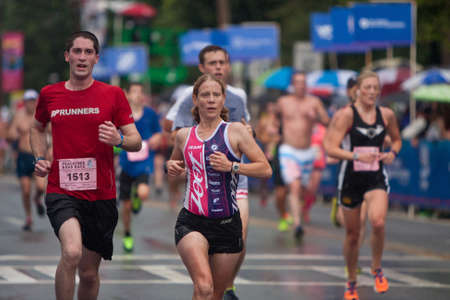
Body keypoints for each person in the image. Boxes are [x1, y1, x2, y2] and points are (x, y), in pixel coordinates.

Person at [30, 31, 142, 300]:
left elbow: (136, 141)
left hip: (101, 194)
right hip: (62, 189)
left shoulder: (112, 94)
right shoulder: (50, 94)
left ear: (96, 58)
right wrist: (40, 157)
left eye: (88, 52)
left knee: (89, 273)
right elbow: (36, 128)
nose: (82, 57)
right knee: (71, 252)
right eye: (77, 51)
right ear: (67, 56)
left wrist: (119, 139)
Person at [167, 74, 272, 300]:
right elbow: (175, 168)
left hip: (227, 224)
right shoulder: (184, 136)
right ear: (196, 100)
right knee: (203, 286)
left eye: (216, 95)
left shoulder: (236, 131)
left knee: (214, 293)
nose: (211, 100)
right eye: (205, 95)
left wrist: (232, 166)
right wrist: (172, 168)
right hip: (192, 221)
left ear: (224, 99)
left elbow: (265, 169)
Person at [323, 71, 402, 300]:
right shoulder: (346, 116)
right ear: (357, 90)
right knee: (353, 235)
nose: (371, 92)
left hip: (375, 177)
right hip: (351, 179)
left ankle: (376, 269)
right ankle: (351, 282)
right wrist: (355, 157)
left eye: (375, 88)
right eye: (367, 87)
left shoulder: (386, 114)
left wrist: (392, 153)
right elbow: (330, 147)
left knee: (378, 222)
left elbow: (397, 139)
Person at [276, 71, 329, 239]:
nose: (301, 85)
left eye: (303, 82)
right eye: (297, 82)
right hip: (288, 150)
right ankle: (298, 224)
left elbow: (327, 121)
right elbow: (273, 119)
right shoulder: (283, 102)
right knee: (295, 186)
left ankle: (299, 212)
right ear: (293, 84)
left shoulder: (314, 102)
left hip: (307, 151)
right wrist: (272, 131)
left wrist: (316, 117)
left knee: (306, 190)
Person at [119, 82, 161, 252]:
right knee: (126, 207)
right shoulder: (121, 114)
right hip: (126, 164)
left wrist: (155, 140)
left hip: (144, 162)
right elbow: (113, 133)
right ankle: (127, 233)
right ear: (127, 95)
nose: (137, 95)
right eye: (133, 91)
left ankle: (138, 197)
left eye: (139, 92)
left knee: (143, 192)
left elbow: (158, 133)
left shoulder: (150, 114)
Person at [7, 89, 46, 230]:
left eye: (33, 100)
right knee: (25, 190)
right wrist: (12, 135)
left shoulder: (41, 114)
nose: (31, 104)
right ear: (25, 102)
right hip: (23, 156)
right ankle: (29, 217)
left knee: (41, 187)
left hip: (39, 156)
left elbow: (51, 132)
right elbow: (10, 134)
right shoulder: (19, 116)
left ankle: (37, 199)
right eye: (28, 101)